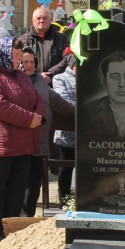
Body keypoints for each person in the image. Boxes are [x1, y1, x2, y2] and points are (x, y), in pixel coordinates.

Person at [0, 37, 44, 247]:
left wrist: (39, 116)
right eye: (15, 55)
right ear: (3, 52)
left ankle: (11, 231)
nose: (18, 60)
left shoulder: (20, 75)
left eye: (19, 56)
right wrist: (28, 119)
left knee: (17, 189)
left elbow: (36, 97)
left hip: (21, 143)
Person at [20, 47, 74, 215]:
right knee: (20, 184)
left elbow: (61, 104)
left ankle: (27, 220)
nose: (29, 65)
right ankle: (16, 221)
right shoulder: (14, 80)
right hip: (19, 144)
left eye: (32, 62)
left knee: (34, 185)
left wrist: (84, 110)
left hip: (40, 143)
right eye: (25, 62)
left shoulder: (40, 82)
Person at [50, 54, 78, 205]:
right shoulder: (60, 78)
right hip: (67, 134)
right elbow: (64, 100)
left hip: (87, 134)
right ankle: (64, 200)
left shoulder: (91, 78)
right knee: (66, 168)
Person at [18, 6, 68, 82]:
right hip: (31, 83)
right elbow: (18, 60)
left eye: (45, 18)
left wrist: (50, 73)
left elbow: (67, 58)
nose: (41, 20)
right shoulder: (23, 40)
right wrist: (37, 76)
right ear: (33, 21)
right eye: (38, 18)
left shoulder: (61, 39)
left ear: (50, 20)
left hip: (55, 82)